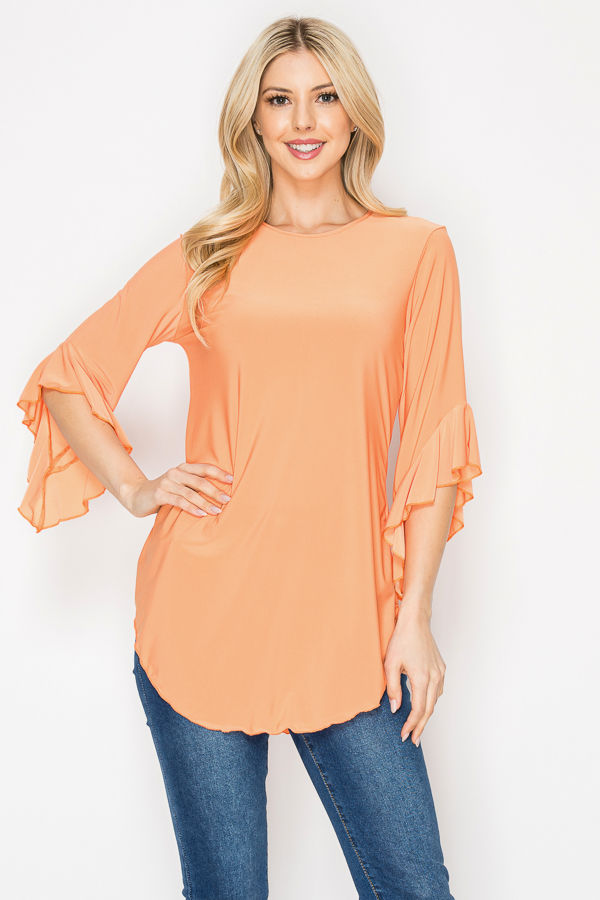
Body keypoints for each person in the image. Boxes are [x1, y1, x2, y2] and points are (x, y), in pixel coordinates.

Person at [16, 15, 482, 900]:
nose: (303, 120)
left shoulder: (415, 252)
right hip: (205, 612)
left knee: (415, 888)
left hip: (350, 625)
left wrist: (414, 616)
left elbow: (435, 444)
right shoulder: (210, 255)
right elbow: (69, 375)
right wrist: (137, 487)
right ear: (253, 120)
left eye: (325, 96)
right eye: (279, 100)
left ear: (354, 113)